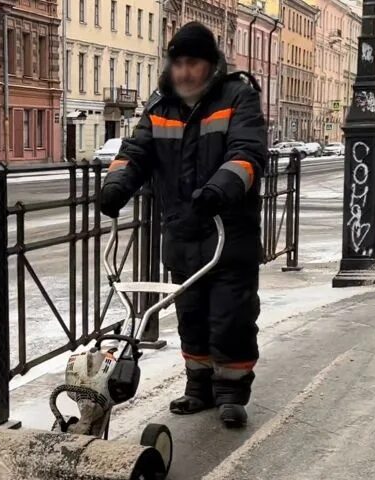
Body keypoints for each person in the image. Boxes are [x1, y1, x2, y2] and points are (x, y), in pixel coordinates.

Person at [97, 21, 268, 429]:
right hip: (181, 230)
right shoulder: (160, 105)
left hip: (228, 231)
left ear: (210, 65)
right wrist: (116, 186)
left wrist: (219, 190)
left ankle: (231, 394)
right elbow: (135, 152)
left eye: (194, 63)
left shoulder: (237, 97)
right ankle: (199, 388)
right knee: (191, 314)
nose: (185, 72)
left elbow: (248, 154)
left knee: (230, 316)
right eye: (179, 63)